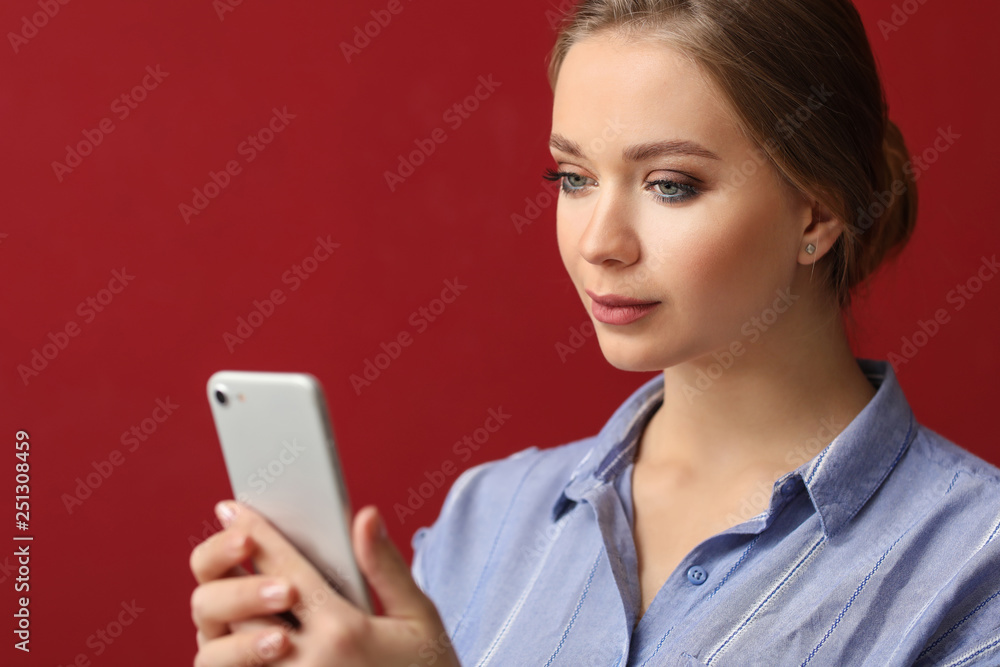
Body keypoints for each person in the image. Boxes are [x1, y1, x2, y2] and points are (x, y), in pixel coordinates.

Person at [189, 0, 1000, 664]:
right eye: (573, 178)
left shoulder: (973, 562)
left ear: (817, 211)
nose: (598, 241)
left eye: (671, 184)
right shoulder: (485, 517)